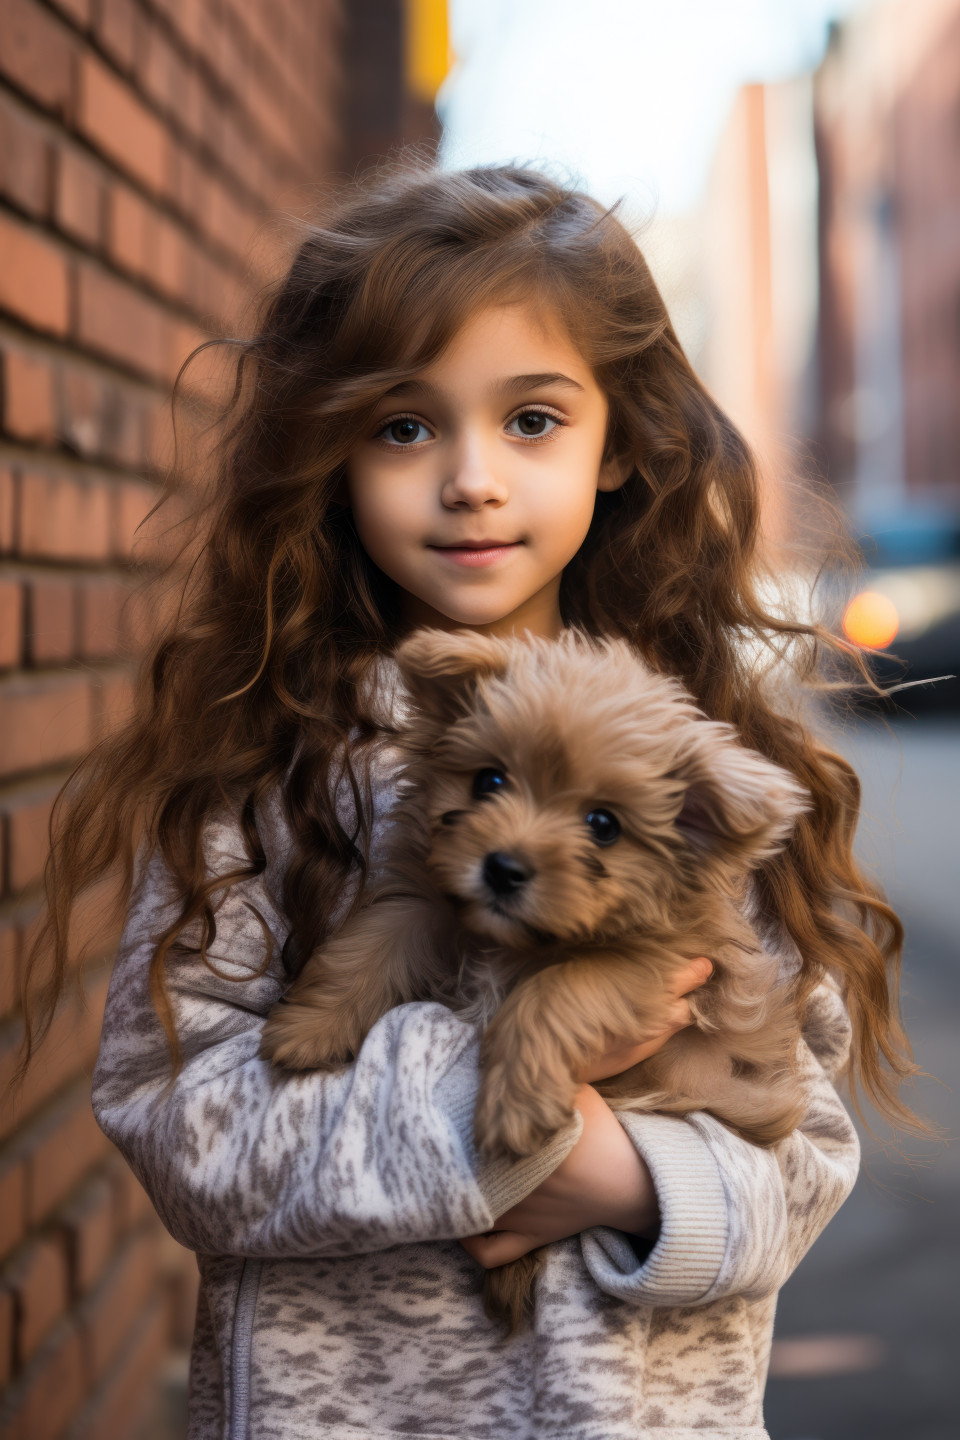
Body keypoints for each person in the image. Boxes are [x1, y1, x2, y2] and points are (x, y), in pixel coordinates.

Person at [24, 163, 915, 1439]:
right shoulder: (267, 766)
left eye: (532, 420)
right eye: (404, 427)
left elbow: (805, 1155)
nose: (472, 479)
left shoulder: (692, 772)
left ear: (622, 443)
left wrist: (629, 1177)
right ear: (329, 452)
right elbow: (179, 1126)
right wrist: (478, 1112)